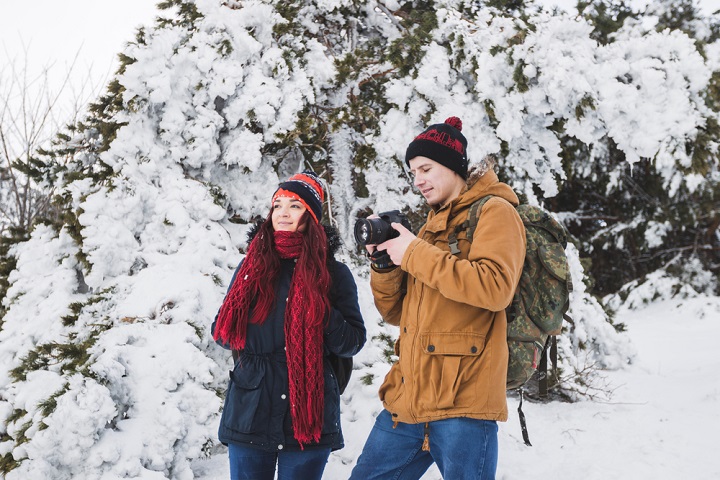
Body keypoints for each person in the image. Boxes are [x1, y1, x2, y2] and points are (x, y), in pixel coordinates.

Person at [349, 117, 526, 480]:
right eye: (413, 172)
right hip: (408, 398)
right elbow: (396, 311)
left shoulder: (495, 211)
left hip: (463, 400)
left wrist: (413, 252)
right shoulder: (432, 224)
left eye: (426, 168)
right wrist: (383, 264)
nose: (418, 180)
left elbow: (494, 288)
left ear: (453, 166)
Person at [212, 171, 366, 480]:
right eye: (277, 205)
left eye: (294, 206)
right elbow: (223, 334)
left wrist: (321, 307)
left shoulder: (333, 274)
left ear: (310, 215)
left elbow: (352, 342)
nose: (282, 213)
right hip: (250, 408)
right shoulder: (252, 267)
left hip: (310, 415)